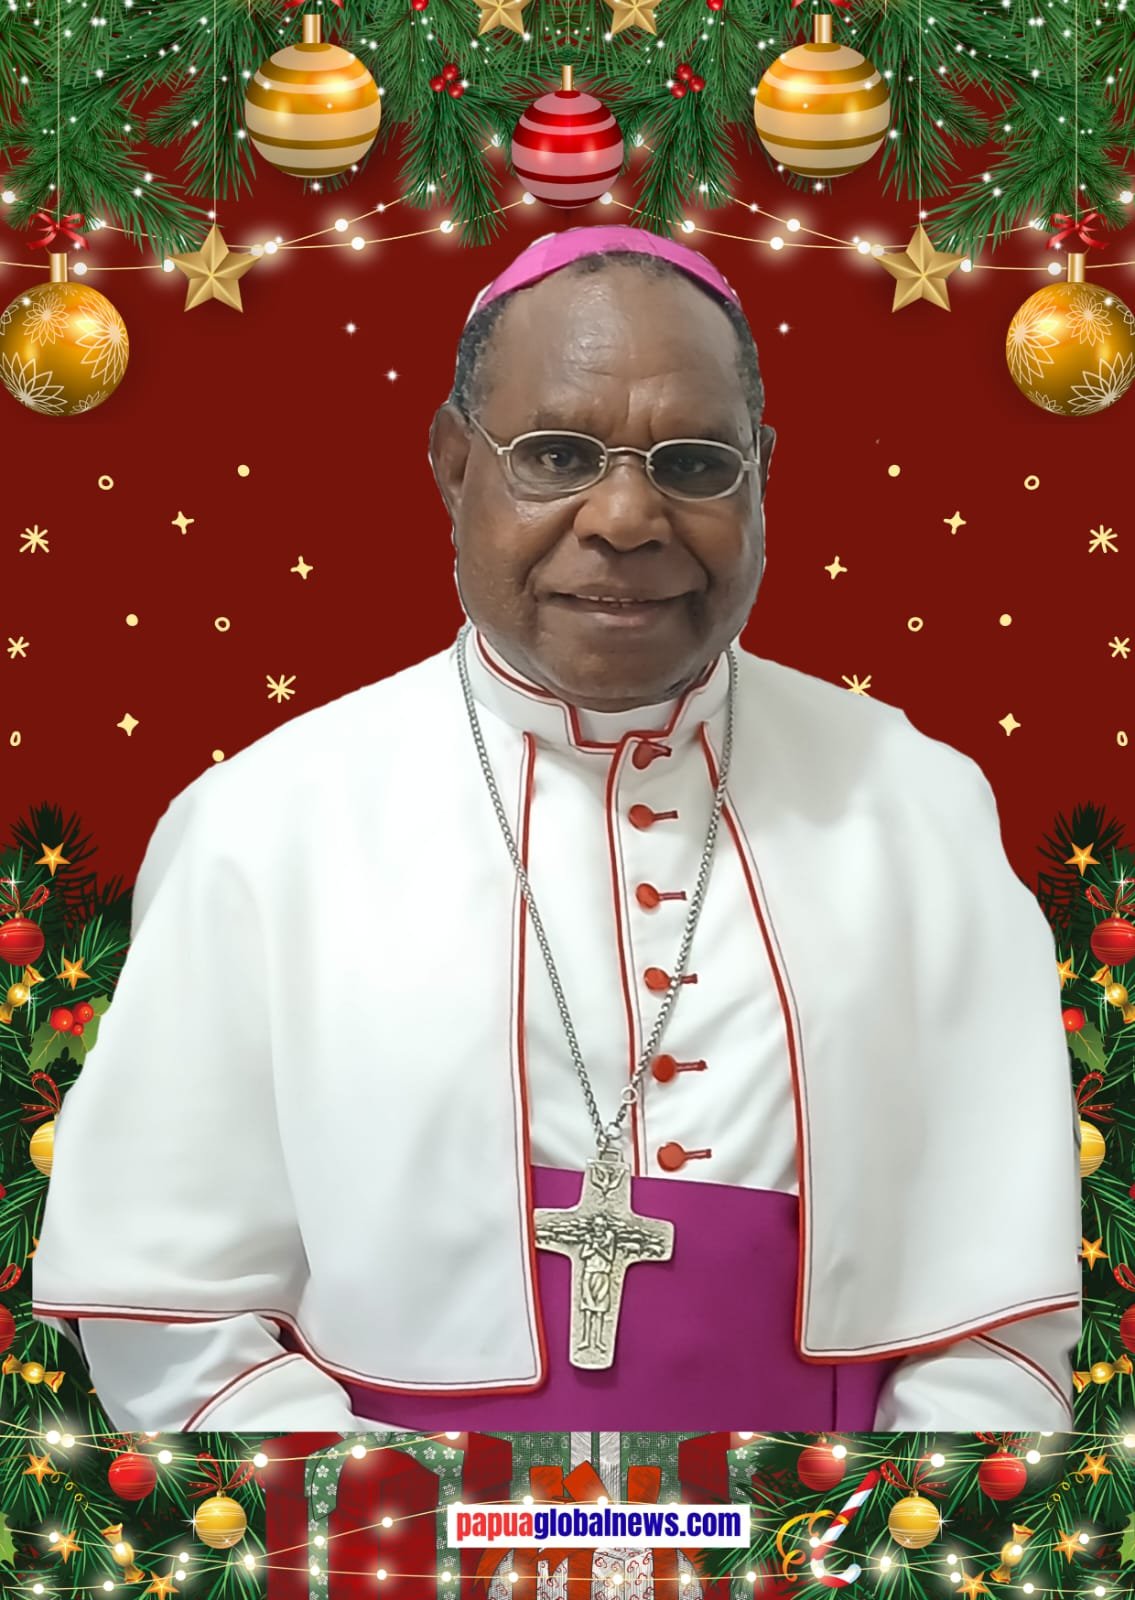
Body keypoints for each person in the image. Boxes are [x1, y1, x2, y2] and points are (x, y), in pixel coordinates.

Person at [32, 225, 1082, 1431]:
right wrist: (416, 1518)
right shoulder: (262, 829)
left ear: (760, 474)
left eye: (695, 463)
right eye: (556, 454)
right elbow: (174, 1314)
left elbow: (993, 1325)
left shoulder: (918, 807)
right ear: (452, 463)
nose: (627, 517)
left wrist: (857, 1519)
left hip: (830, 1526)